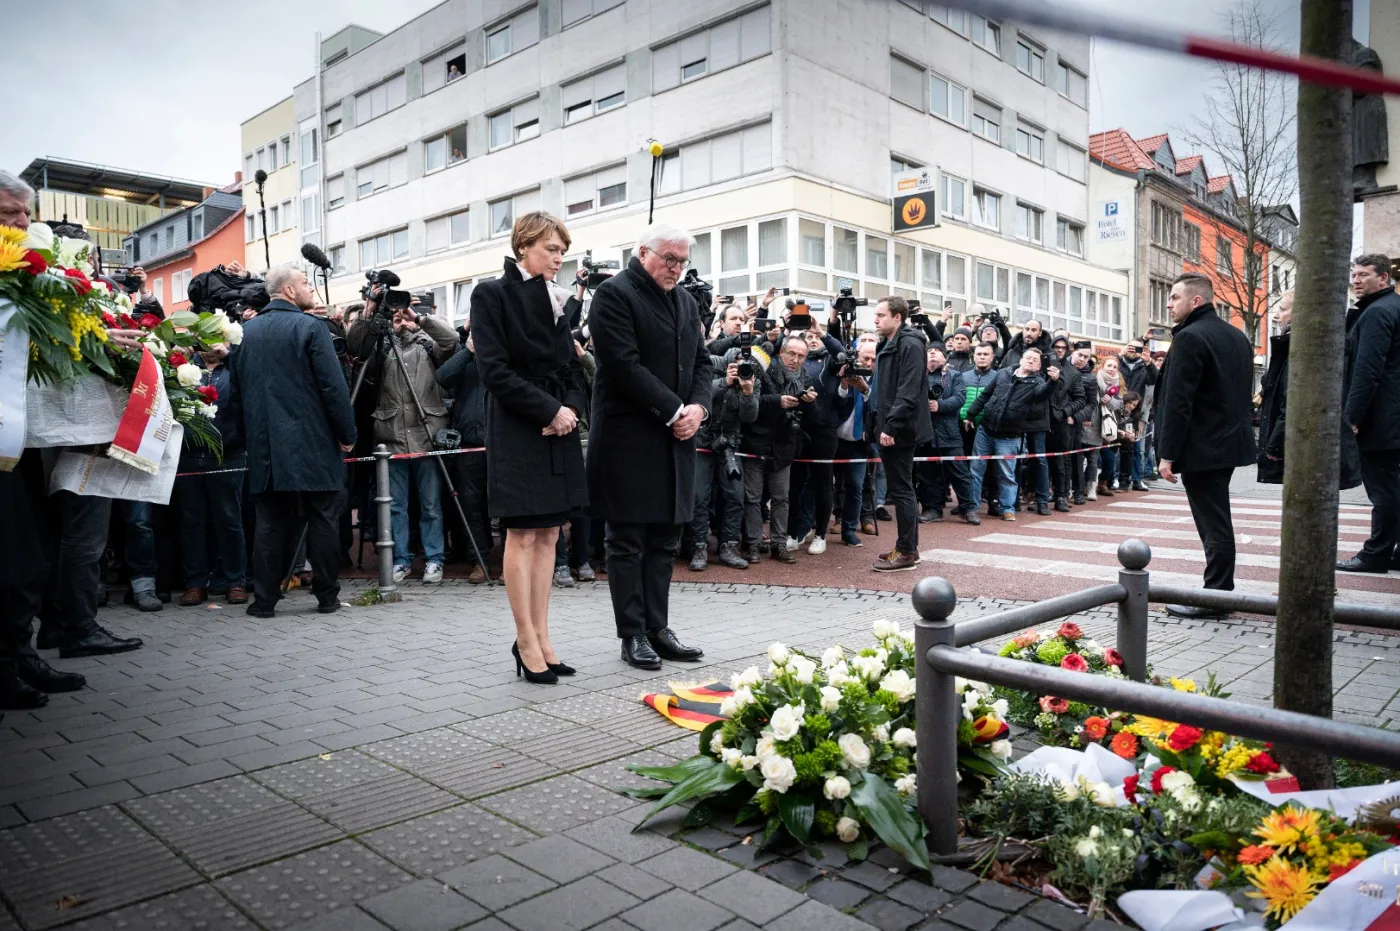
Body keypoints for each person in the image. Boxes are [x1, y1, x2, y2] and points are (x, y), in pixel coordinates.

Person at [470, 212, 589, 683]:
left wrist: (572, 410)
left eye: (561, 250)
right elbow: (494, 370)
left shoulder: (556, 297)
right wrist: (549, 411)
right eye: (550, 249)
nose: (558, 258)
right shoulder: (491, 293)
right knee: (522, 534)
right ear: (523, 247)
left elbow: (573, 367)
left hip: (557, 424)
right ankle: (524, 640)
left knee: (550, 533)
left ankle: (543, 637)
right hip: (521, 425)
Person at [587, 222, 711, 670]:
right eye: (670, 259)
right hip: (629, 437)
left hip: (676, 436)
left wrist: (699, 408)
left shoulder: (685, 300)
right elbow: (622, 364)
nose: (677, 269)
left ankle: (658, 627)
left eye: (683, 261)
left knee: (664, 538)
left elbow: (701, 361)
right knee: (627, 539)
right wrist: (676, 411)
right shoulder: (614, 294)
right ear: (643, 252)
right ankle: (632, 633)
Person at [224, 266, 356, 617]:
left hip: (266, 446)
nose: (310, 287)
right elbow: (333, 387)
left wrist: (241, 438)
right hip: (313, 443)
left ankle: (264, 601)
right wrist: (347, 434)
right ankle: (327, 598)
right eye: (305, 282)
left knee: (269, 524)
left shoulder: (245, 333)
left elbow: (235, 394)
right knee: (324, 519)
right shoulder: (310, 328)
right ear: (289, 291)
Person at [1154, 273, 1257, 615]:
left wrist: (1167, 453)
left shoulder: (1190, 337)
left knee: (1213, 522)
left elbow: (1178, 402)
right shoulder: (1237, 337)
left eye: (1174, 297)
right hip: (1227, 443)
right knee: (1217, 518)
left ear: (1196, 301)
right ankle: (1218, 591)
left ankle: (1217, 595)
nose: (1169, 304)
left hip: (1201, 447)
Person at [347, 296, 458, 584]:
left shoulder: (427, 343)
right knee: (395, 505)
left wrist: (418, 319)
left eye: (403, 314)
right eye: (395, 316)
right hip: (391, 435)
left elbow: (451, 340)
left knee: (430, 503)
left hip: (427, 434)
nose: (400, 319)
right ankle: (401, 559)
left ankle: (434, 559)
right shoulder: (381, 346)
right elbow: (356, 348)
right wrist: (373, 316)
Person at [1258, 290, 1362, 490]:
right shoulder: (1311, 346)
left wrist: (1276, 444)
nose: (1277, 315)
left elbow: (1294, 402)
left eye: (1282, 309)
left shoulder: (1302, 350)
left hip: (1305, 445)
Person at [1339, 255, 1400, 572]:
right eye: (1354, 275)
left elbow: (1367, 372)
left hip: (1381, 419)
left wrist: (1351, 418)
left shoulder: (1377, 313)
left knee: (1384, 489)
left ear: (1384, 278)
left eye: (1364, 274)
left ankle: (1375, 553)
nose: (1356, 280)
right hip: (1391, 416)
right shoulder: (1393, 307)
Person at [175, 345, 247, 606]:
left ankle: (235, 580)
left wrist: (230, 356)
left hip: (228, 453)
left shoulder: (234, 368)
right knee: (191, 520)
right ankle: (195, 582)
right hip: (189, 454)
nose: (211, 347)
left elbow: (249, 383)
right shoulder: (183, 367)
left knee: (229, 519)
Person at [872, 296, 933, 571]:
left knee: (902, 491)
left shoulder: (909, 343)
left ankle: (907, 552)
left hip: (900, 430)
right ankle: (907, 547)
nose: (876, 319)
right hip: (893, 426)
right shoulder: (889, 343)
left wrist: (891, 426)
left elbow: (908, 391)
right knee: (901, 489)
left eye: (881, 315)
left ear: (897, 317)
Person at [691, 331, 759, 571]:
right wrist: (725, 382)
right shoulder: (712, 366)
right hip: (703, 441)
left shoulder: (752, 377)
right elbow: (698, 396)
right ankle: (698, 546)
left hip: (730, 443)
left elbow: (749, 417)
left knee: (735, 495)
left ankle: (728, 546)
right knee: (699, 496)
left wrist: (748, 392)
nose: (741, 367)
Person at [742, 335, 810, 564]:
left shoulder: (803, 376)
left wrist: (810, 401)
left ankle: (779, 544)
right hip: (757, 442)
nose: (796, 360)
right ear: (782, 353)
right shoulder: (765, 369)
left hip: (784, 445)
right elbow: (751, 400)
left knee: (781, 497)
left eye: (801, 356)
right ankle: (752, 543)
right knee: (753, 497)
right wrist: (778, 401)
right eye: (792, 354)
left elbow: (812, 416)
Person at [967, 347, 1051, 521]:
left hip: (1009, 435)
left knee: (1007, 474)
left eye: (1035, 360)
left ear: (1038, 366)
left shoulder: (1038, 383)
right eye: (1028, 357)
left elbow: (1043, 394)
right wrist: (971, 415)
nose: (1030, 361)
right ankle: (971, 507)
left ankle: (1007, 508)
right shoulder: (1003, 373)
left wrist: (1054, 381)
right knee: (976, 470)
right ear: (1020, 359)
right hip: (985, 429)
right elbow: (985, 395)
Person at [436, 330, 493, 585]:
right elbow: (443, 377)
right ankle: (479, 561)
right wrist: (468, 351)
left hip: (502, 440)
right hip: (469, 440)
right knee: (471, 504)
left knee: (507, 504)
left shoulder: (506, 347)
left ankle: (509, 562)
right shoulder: (465, 353)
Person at [919, 345, 980, 525]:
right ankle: (932, 509)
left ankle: (968, 509)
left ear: (945, 358)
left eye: (937, 351)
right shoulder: (919, 375)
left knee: (960, 473)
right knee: (927, 474)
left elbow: (960, 398)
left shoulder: (955, 376)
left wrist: (940, 406)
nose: (932, 353)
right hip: (925, 432)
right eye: (929, 351)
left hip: (949, 433)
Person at [833, 341, 875, 545]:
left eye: (874, 360)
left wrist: (866, 390)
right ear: (857, 357)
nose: (869, 363)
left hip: (859, 442)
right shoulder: (843, 371)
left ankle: (849, 530)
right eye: (865, 358)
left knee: (855, 486)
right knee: (818, 483)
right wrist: (843, 383)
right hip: (834, 438)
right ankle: (810, 527)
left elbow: (878, 408)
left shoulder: (881, 379)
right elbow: (836, 403)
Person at [1046, 335, 1084, 511]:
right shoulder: (1042, 365)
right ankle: (1040, 495)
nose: (1059, 349)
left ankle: (1061, 495)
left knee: (1061, 460)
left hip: (1061, 421)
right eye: (1056, 346)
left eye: (1063, 347)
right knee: (1038, 459)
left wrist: (1066, 412)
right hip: (1041, 419)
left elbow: (1080, 399)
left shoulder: (1073, 372)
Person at [1116, 338, 1157, 491]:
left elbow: (1154, 380)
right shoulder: (1118, 363)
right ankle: (1115, 478)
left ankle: (1133, 480)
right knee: (1114, 448)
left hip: (1135, 413)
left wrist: (1148, 363)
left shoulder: (1143, 367)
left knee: (1135, 448)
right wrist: (1119, 355)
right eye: (1131, 347)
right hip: (1115, 409)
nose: (1133, 351)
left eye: (1138, 349)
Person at [1094, 357, 1125, 498]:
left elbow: (1120, 405)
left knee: (1109, 458)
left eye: (1115, 367)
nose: (1112, 369)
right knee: (1090, 458)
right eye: (1109, 365)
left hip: (1108, 425)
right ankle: (1084, 485)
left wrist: (1110, 401)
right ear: (1102, 366)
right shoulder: (1094, 379)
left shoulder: (1119, 384)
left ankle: (1102, 483)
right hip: (1092, 424)